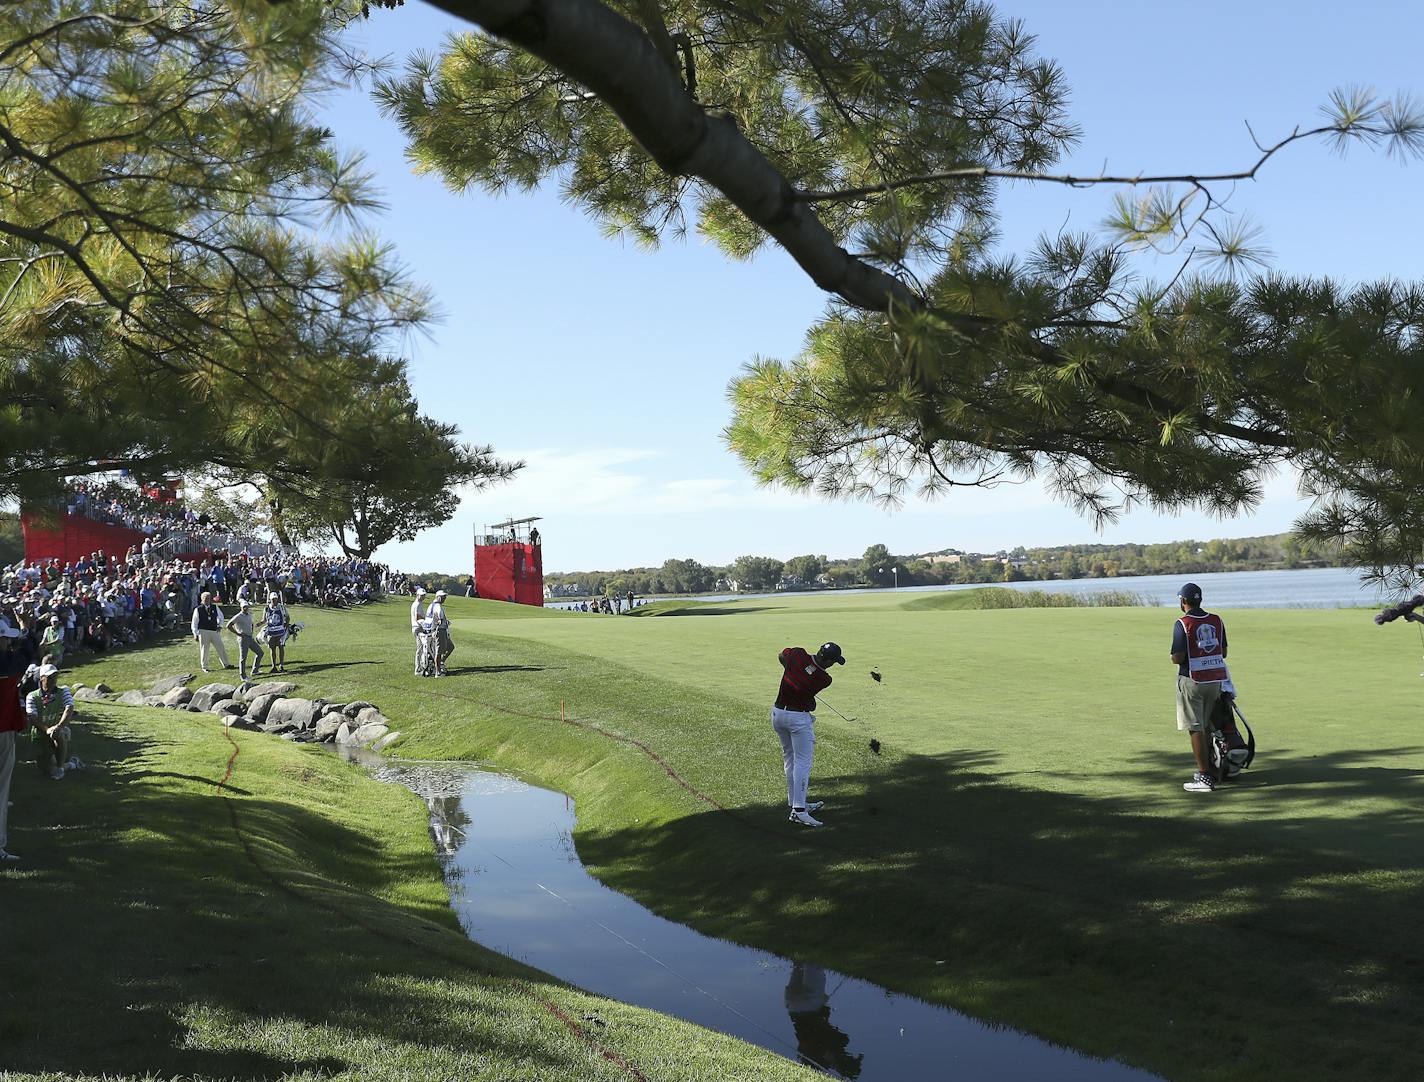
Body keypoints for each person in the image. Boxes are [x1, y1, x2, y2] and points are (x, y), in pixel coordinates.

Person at [771, 641, 845, 827]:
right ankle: (799, 811)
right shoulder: (824, 679)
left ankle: (796, 802)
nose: (833, 665)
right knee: (803, 763)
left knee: (790, 758)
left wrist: (790, 670)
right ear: (827, 660)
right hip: (797, 720)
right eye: (833, 662)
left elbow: (782, 655)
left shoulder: (797, 654)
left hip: (778, 714)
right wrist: (797, 676)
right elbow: (811, 703)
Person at [1171, 582, 1228, 793]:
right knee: (1204, 726)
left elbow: (1177, 657)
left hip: (1192, 680)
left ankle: (1204, 777)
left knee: (1195, 727)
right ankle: (1210, 771)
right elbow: (1223, 652)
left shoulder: (1183, 623)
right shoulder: (1216, 620)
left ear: (1183, 601)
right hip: (1214, 680)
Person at [26, 663, 81, 780]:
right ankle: (71, 764)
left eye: (55, 676)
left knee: (58, 734)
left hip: (59, 729)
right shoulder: (32, 696)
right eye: (50, 677)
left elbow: (69, 708)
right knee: (46, 769)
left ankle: (61, 767)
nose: (53, 680)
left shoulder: (64, 691)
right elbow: (32, 717)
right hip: (40, 734)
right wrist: (47, 729)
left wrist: (59, 726)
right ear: (42, 678)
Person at [0, 624, 26, 864]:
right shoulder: (9, 665)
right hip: (3, 730)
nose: (9, 643)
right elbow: (23, 657)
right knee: (1, 791)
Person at [190, 591, 230, 672]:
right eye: (205, 598)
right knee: (205, 650)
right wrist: (195, 633)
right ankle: (205, 667)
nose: (207, 600)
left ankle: (226, 664)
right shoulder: (198, 609)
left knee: (220, 647)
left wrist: (220, 626)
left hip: (214, 630)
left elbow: (221, 617)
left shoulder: (214, 607)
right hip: (203, 631)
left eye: (208, 598)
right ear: (202, 599)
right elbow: (194, 622)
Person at [225, 601, 265, 680]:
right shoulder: (238, 616)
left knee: (260, 653)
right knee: (243, 657)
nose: (246, 608)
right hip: (243, 639)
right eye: (244, 607)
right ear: (241, 608)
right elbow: (228, 625)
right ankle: (242, 675)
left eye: (246, 606)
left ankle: (255, 670)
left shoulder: (249, 614)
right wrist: (238, 634)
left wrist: (251, 631)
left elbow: (251, 624)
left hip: (250, 637)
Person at [262, 590, 290, 673]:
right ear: (270, 600)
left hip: (281, 631)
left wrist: (286, 625)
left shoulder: (281, 607)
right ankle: (273, 666)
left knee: (281, 647)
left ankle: (281, 665)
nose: (274, 601)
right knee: (272, 649)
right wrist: (259, 624)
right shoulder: (267, 608)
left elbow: (287, 617)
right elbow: (264, 620)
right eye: (273, 599)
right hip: (271, 632)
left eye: (275, 599)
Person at [428, 590, 453, 676]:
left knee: (450, 647)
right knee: (438, 652)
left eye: (445, 597)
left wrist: (445, 622)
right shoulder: (437, 605)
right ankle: (437, 671)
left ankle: (440, 664)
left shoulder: (433, 605)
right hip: (439, 630)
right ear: (438, 597)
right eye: (443, 597)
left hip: (439, 630)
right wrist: (440, 621)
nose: (444, 598)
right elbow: (438, 616)